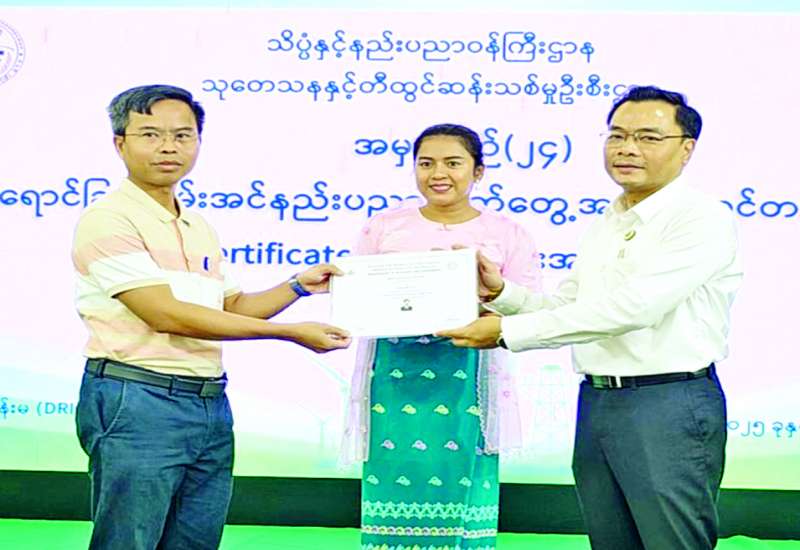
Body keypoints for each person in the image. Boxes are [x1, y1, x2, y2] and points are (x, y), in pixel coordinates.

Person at [438, 86, 743, 549]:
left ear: (686, 149)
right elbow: (573, 306)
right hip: (599, 401)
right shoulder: (609, 220)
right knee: (610, 540)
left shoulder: (700, 218)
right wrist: (501, 295)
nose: (627, 148)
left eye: (647, 137)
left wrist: (506, 332)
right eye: (617, 135)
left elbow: (632, 309)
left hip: (667, 401)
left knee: (671, 541)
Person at [71, 84, 351, 550]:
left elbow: (231, 307)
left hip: (207, 402)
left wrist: (299, 285)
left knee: (195, 541)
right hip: (137, 397)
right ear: (120, 143)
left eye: (182, 135)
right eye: (151, 135)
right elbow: (165, 314)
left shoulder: (197, 224)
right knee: (129, 541)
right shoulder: (109, 219)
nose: (168, 147)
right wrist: (287, 333)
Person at [340, 124, 541, 550]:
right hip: (394, 372)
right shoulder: (384, 227)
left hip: (471, 370)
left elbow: (530, 306)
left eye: (453, 163)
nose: (438, 174)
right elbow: (357, 295)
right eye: (426, 163)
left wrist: (482, 299)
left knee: (464, 468)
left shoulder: (507, 233)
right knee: (394, 463)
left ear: (478, 171)